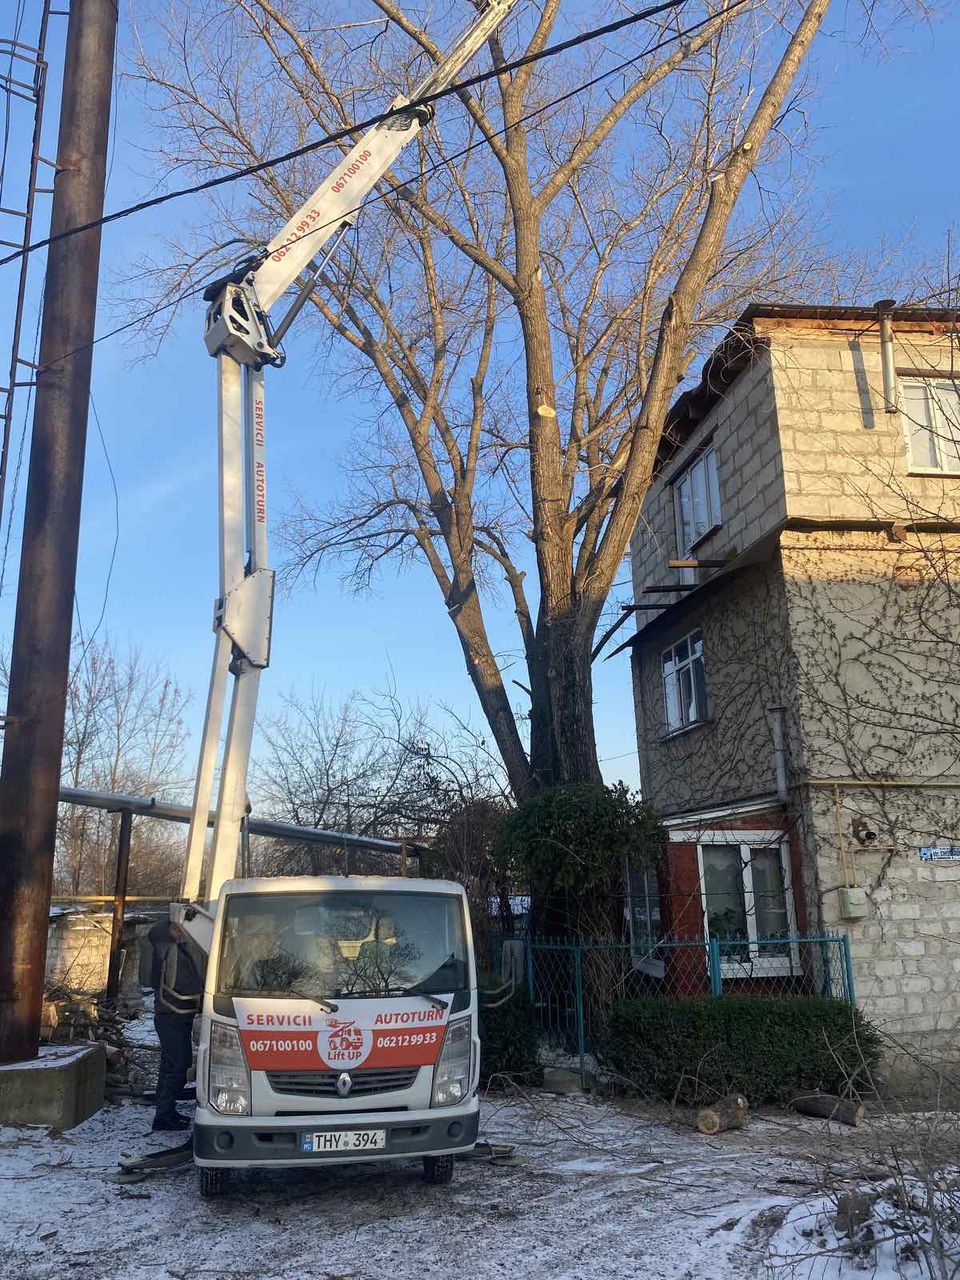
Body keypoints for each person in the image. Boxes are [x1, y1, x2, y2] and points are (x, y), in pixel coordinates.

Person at [147, 918, 205, 1132]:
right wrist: (204, 998)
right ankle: (163, 1116)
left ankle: (165, 1111)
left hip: (170, 1016)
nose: (181, 930)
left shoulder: (166, 951)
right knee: (179, 1065)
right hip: (173, 1017)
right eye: (175, 927)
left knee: (169, 1064)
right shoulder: (172, 954)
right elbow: (184, 984)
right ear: (168, 932)